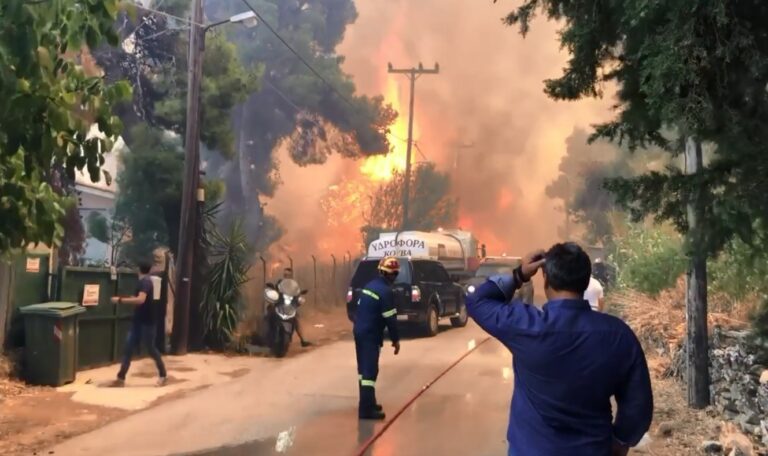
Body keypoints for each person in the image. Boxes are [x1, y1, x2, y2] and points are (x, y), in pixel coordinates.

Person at [466, 243, 653, 456]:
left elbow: (477, 301)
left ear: (546, 280)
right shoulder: (618, 335)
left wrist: (520, 274)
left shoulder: (525, 325)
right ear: (585, 281)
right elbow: (639, 404)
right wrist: (620, 441)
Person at [353, 256, 401, 420]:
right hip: (370, 334)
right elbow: (391, 319)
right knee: (369, 372)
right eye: (394, 275)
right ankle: (366, 411)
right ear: (392, 275)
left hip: (360, 331)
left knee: (363, 371)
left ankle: (368, 402)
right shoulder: (385, 291)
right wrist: (395, 340)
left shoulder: (370, 286)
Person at [111, 260, 167, 386]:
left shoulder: (145, 282)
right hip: (140, 320)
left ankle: (163, 375)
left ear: (138, 269)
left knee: (150, 348)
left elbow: (141, 300)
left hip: (147, 321)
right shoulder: (145, 282)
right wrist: (130, 298)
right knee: (129, 348)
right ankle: (121, 378)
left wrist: (120, 300)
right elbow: (141, 299)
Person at [276, 268, 312, 347]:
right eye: (285, 275)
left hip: (289, 307)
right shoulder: (279, 283)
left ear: (291, 276)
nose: (286, 276)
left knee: (296, 318)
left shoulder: (294, 285)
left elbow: (297, 294)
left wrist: (299, 298)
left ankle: (303, 340)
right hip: (280, 306)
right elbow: (275, 292)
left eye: (288, 275)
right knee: (269, 314)